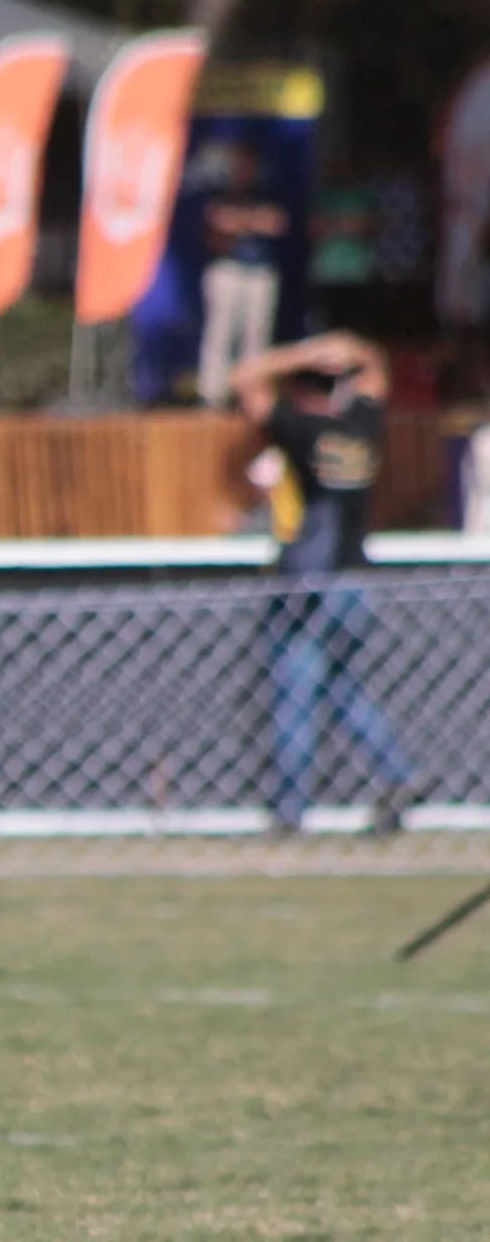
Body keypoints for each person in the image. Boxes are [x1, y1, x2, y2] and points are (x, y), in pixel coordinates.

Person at [233, 330, 416, 833]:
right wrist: (351, 348)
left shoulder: (300, 429)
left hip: (312, 582)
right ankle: (397, 774)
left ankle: (290, 812)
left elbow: (244, 380)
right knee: (341, 689)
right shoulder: (361, 425)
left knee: (295, 692)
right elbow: (377, 371)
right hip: (356, 581)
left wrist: (304, 352)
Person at [198, 144, 290, 408]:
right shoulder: (220, 192)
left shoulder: (267, 191)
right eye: (240, 166)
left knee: (256, 334)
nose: (245, 172)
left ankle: (251, 395)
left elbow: (276, 223)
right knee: (220, 332)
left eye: (250, 166)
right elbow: (217, 222)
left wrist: (239, 222)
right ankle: (212, 397)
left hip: (260, 271)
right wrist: (251, 221)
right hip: (227, 268)